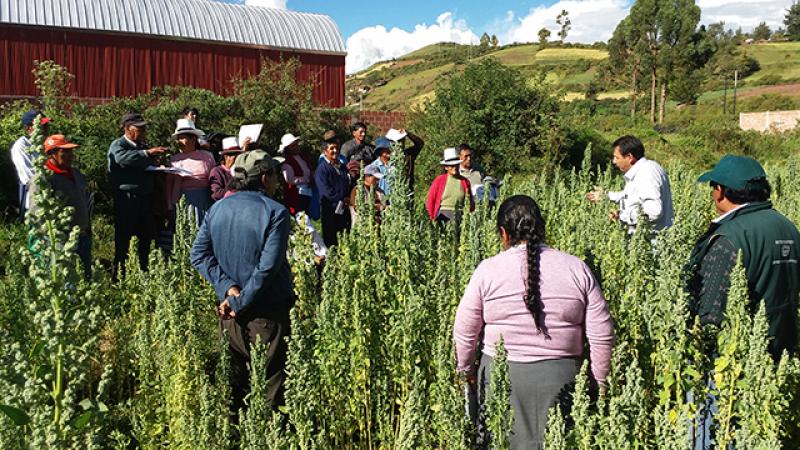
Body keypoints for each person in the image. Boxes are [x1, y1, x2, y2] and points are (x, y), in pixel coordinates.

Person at [454, 195, 614, 450]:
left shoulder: (487, 270)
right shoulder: (577, 268)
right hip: (563, 378)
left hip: (499, 377)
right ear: (542, 227)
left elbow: (465, 330)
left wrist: (466, 372)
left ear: (503, 233)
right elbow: (602, 332)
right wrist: (599, 381)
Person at [190, 149, 293, 417]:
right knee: (270, 389)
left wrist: (228, 288)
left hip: (228, 316)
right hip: (266, 314)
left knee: (234, 389)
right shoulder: (276, 212)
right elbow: (267, 269)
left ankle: (234, 434)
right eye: (275, 174)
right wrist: (240, 300)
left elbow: (198, 255)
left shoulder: (217, 209)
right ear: (265, 177)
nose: (277, 180)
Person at [688, 155, 798, 358]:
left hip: (739, 358)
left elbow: (710, 312)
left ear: (720, 191)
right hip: (783, 349)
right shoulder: (788, 227)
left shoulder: (728, 237)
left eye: (712, 187)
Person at [108, 113, 167, 274]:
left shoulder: (142, 146)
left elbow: (146, 163)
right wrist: (147, 154)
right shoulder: (119, 145)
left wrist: (157, 163)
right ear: (128, 129)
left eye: (144, 128)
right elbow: (122, 159)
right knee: (125, 237)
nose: (143, 132)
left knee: (145, 236)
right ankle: (120, 275)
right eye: (139, 129)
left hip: (145, 198)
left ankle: (142, 271)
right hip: (127, 198)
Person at [28, 135, 92, 275]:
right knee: (64, 279)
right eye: (65, 152)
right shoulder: (43, 178)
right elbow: (36, 213)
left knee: (85, 278)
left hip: (82, 236)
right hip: (60, 240)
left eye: (71, 151)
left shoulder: (76, 174)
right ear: (52, 154)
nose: (70, 156)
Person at [586, 135, 673, 233]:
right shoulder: (647, 168)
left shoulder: (646, 174)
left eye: (617, 157)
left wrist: (622, 216)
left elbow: (654, 211)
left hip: (650, 239)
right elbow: (631, 195)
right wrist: (606, 196)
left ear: (629, 157)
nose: (614, 161)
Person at [166, 119, 215, 227]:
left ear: (193, 139)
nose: (180, 142)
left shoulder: (206, 156)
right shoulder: (175, 159)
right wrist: (169, 205)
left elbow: (213, 178)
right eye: (178, 139)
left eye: (183, 138)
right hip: (182, 199)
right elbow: (169, 184)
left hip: (204, 198)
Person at [10, 110, 50, 220]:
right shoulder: (21, 146)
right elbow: (31, 176)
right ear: (28, 128)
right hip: (34, 200)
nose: (46, 129)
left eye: (46, 125)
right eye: (42, 126)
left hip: (49, 198)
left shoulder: (44, 144)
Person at [314, 135, 351, 247]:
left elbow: (347, 183)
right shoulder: (322, 169)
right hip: (330, 209)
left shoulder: (342, 167)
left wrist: (347, 198)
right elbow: (326, 191)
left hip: (343, 209)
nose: (335, 151)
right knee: (331, 239)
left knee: (344, 237)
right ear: (325, 151)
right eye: (332, 148)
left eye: (337, 148)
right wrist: (341, 198)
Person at [425, 147, 475, 223]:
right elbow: (431, 201)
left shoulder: (465, 181)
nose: (454, 167)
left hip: (460, 216)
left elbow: (470, 203)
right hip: (443, 216)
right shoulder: (439, 180)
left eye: (456, 165)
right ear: (446, 167)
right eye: (451, 165)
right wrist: (431, 218)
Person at [279, 133, 314, 216]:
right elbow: (290, 180)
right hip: (297, 195)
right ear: (287, 148)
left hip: (307, 192)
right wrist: (306, 180)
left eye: (296, 144)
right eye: (292, 146)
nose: (296, 147)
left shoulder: (302, 157)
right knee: (301, 217)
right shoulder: (286, 162)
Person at [385, 128, 424, 193]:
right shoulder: (386, 155)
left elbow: (420, 144)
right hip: (391, 190)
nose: (402, 143)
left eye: (403, 140)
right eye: (399, 141)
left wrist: (408, 133)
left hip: (407, 189)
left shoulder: (409, 154)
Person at [209, 137, 243, 201]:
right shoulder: (217, 172)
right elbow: (216, 194)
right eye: (235, 156)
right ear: (226, 156)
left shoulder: (242, 170)